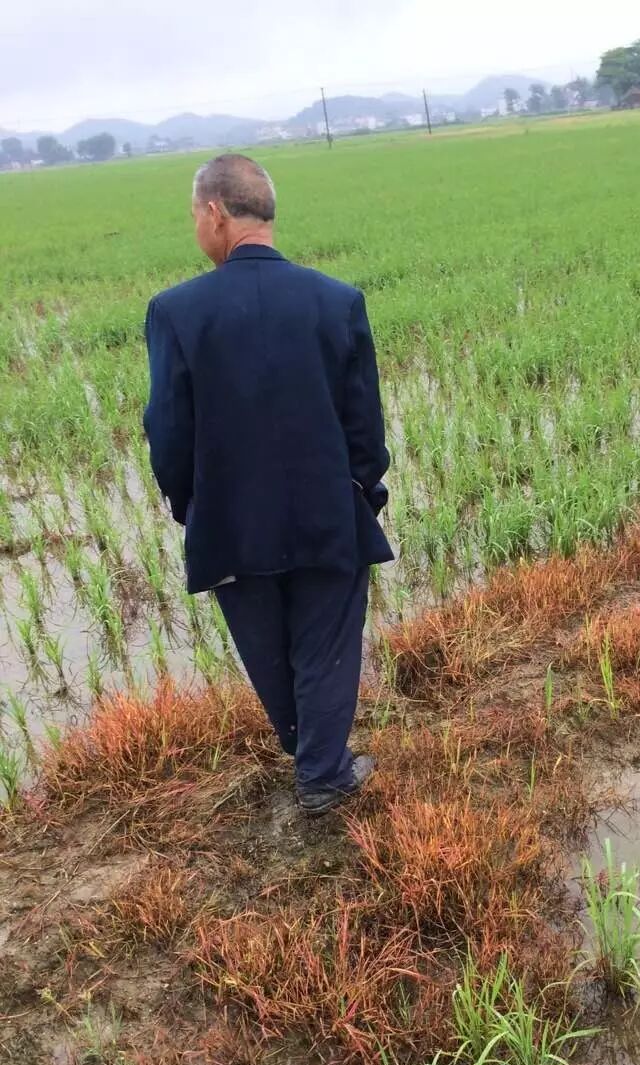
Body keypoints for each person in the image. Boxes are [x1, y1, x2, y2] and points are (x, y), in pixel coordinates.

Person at [143, 154, 392, 814]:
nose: (197, 226)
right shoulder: (336, 301)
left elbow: (168, 431)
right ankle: (322, 771)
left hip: (230, 522)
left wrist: (192, 506)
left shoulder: (176, 312)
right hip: (326, 512)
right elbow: (364, 425)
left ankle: (315, 763)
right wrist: (362, 491)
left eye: (195, 215)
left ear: (215, 213)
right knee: (325, 643)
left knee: (268, 651)